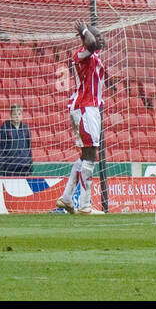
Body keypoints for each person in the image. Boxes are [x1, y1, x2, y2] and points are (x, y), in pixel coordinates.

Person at [57, 21, 106, 215]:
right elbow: (92, 43)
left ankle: (67, 198)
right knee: (91, 154)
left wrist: (89, 34)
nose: (101, 38)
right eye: (97, 34)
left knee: (85, 155)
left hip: (87, 108)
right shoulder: (82, 54)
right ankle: (85, 205)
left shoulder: (92, 55)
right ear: (86, 38)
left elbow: (94, 44)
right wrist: (85, 31)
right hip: (85, 108)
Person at [0, 105, 34, 177]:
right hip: (10, 167)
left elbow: (29, 148)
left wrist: (30, 166)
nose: (17, 116)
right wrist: (1, 168)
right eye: (14, 114)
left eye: (19, 114)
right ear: (10, 115)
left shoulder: (26, 129)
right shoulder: (4, 129)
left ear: (22, 115)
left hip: (24, 166)